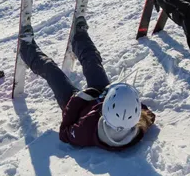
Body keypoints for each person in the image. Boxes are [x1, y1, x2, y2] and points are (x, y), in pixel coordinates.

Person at [19, 16, 155, 150]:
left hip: (76, 106)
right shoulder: (138, 124)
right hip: (101, 95)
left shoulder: (85, 131)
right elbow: (144, 111)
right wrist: (118, 96)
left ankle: (26, 49)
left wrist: (77, 100)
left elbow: (65, 133)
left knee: (52, 71)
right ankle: (79, 37)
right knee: (92, 62)